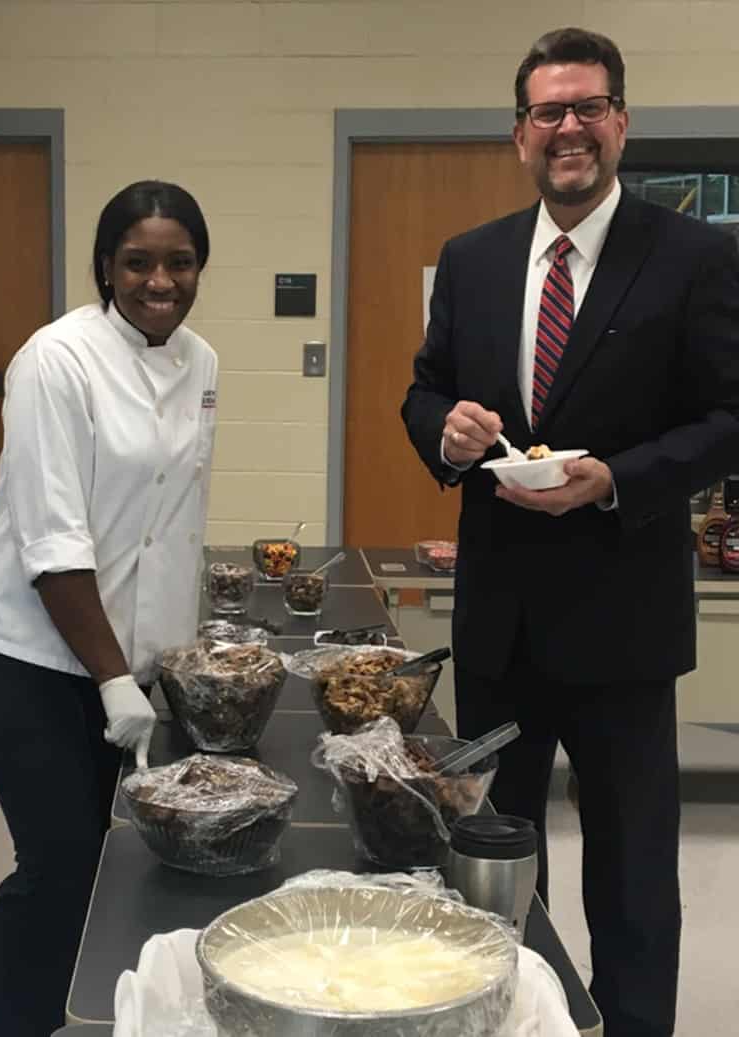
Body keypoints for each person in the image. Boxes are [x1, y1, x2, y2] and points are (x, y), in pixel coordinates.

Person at [402, 27, 739, 1037]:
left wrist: (614, 479)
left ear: (621, 123)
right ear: (520, 134)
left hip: (625, 632)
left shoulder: (694, 257)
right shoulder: (474, 259)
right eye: (550, 110)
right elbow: (427, 392)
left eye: (589, 106)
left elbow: (730, 415)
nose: (570, 127)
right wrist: (451, 436)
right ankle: (493, 1018)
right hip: (500, 626)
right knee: (489, 864)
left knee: (632, 878)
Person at [0, 180, 217, 1036]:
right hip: (23, 654)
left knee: (123, 859)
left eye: (180, 262)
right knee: (61, 864)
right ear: (106, 266)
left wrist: (180, 659)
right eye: (138, 262)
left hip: (132, 661)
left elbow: (174, 520)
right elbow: (54, 542)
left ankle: (105, 1015)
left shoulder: (201, 363)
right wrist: (111, 680)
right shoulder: (53, 360)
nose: (159, 281)